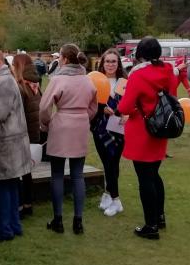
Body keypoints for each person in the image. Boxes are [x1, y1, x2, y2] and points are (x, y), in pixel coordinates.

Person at [117, 37, 178, 240]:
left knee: (145, 179)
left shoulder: (138, 75)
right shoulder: (168, 71)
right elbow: (171, 96)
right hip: (161, 127)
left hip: (142, 130)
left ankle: (150, 225)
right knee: (154, 175)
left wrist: (134, 108)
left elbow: (125, 107)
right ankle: (159, 217)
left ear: (140, 54)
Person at [39, 44, 98, 235]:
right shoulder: (87, 80)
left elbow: (44, 107)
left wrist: (46, 123)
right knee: (78, 175)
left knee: (57, 174)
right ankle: (78, 221)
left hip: (61, 124)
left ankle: (58, 220)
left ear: (64, 59)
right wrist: (84, 117)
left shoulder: (58, 79)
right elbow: (94, 106)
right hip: (80, 125)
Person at [0, 49, 31, 242]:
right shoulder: (4, 78)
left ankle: (4, 230)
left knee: (2, 186)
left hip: (5, 143)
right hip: (11, 142)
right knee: (10, 185)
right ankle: (14, 225)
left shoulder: (2, 81)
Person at [92, 49, 126, 217]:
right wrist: (101, 110)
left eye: (114, 61)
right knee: (107, 163)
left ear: (118, 64)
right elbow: (89, 104)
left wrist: (126, 115)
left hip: (118, 128)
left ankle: (116, 201)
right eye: (107, 61)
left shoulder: (124, 82)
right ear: (102, 63)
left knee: (113, 163)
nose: (110, 64)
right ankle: (108, 194)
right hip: (100, 128)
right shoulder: (96, 80)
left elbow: (132, 103)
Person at [12, 53, 42, 218]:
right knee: (27, 171)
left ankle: (20, 205)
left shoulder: (21, 87)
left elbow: (19, 114)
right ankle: (28, 203)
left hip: (22, 134)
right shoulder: (35, 84)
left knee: (19, 172)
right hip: (34, 133)